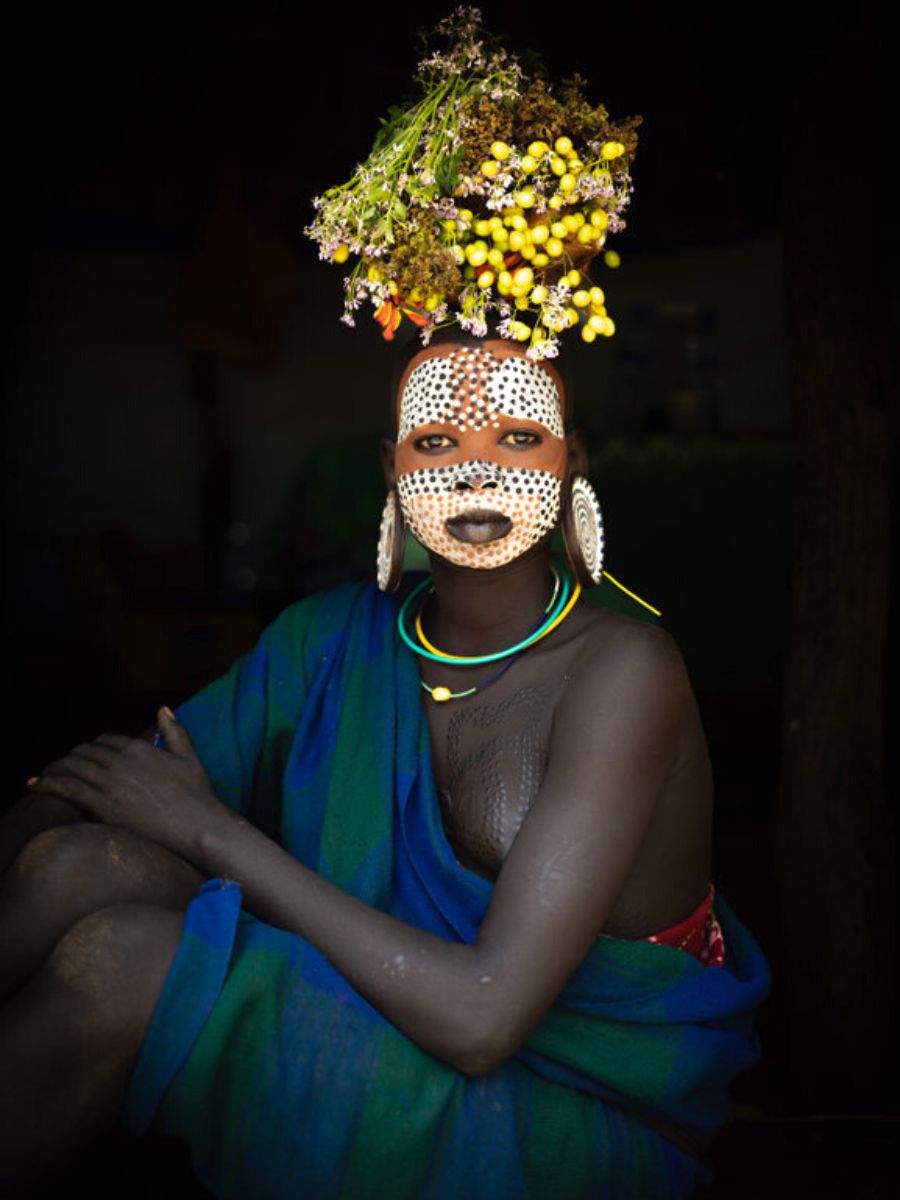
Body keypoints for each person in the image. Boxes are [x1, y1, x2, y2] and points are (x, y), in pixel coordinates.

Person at [0, 13, 770, 1194]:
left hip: (554, 1107)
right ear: (390, 468)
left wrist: (215, 833)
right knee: (76, 875)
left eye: (518, 436)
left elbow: (481, 1020)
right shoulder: (329, 641)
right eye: (438, 440)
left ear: (569, 467)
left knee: (119, 963)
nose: (475, 472)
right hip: (374, 1016)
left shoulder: (626, 672)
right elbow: (98, 795)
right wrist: (61, 822)